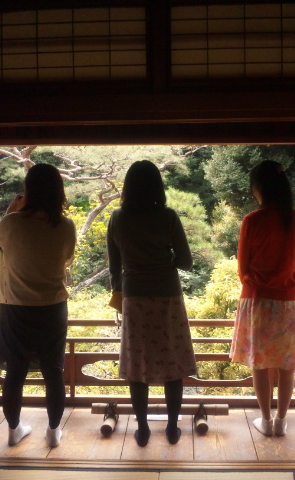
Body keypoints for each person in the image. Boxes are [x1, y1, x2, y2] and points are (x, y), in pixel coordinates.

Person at [106, 160, 197, 447]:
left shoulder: (117, 218)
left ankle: (143, 429)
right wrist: (164, 259)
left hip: (134, 297)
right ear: (158, 186)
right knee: (172, 360)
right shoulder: (167, 216)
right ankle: (171, 428)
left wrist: (120, 297)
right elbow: (186, 261)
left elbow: (114, 268)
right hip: (167, 296)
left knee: (137, 363)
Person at [0, 163, 76, 448]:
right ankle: (53, 432)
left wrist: (11, 212)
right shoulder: (66, 226)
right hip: (53, 307)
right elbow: (66, 259)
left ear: (28, 191)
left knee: (15, 372)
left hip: (15, 307)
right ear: (58, 192)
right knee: (53, 371)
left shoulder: (12, 223)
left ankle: (14, 430)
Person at [230, 160, 295, 437]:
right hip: (289, 301)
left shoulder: (252, 220)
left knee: (260, 364)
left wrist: (258, 280)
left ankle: (265, 421)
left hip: (258, 300)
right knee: (287, 367)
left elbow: (243, 268)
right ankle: (281, 420)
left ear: (260, 188)